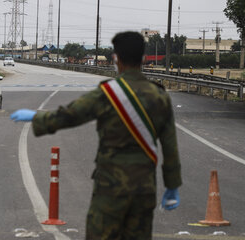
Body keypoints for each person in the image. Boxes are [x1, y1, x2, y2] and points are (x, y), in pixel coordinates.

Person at [10, 31, 181, 240]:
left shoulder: (108, 93)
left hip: (110, 187)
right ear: (144, 59)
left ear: (116, 59)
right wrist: (172, 185)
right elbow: (170, 145)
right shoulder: (160, 96)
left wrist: (37, 118)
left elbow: (71, 115)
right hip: (143, 188)